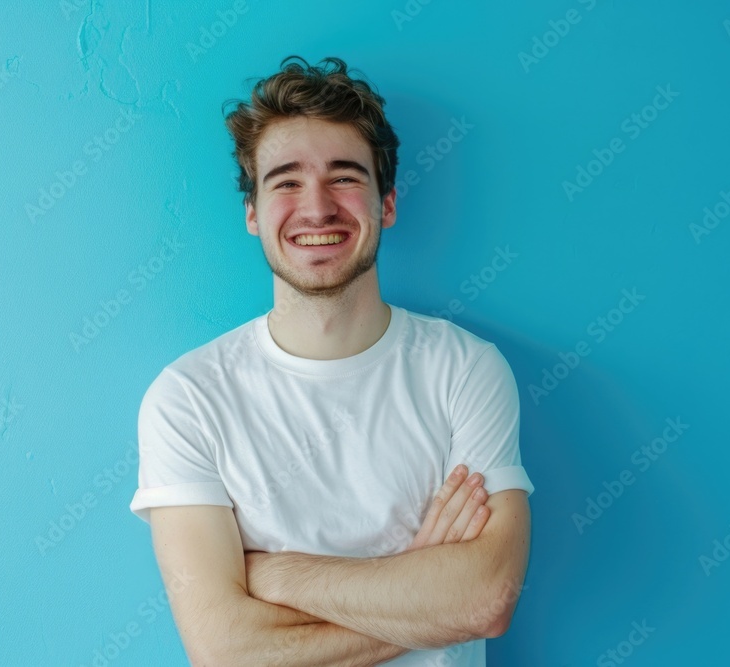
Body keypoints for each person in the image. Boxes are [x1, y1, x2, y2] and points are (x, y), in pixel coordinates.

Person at [129, 55, 534, 666]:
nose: (317, 207)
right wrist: (425, 592)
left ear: (386, 204)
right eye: (285, 181)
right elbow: (226, 653)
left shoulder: (465, 370)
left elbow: (485, 598)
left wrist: (278, 575)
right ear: (252, 214)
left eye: (344, 177)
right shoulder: (187, 399)